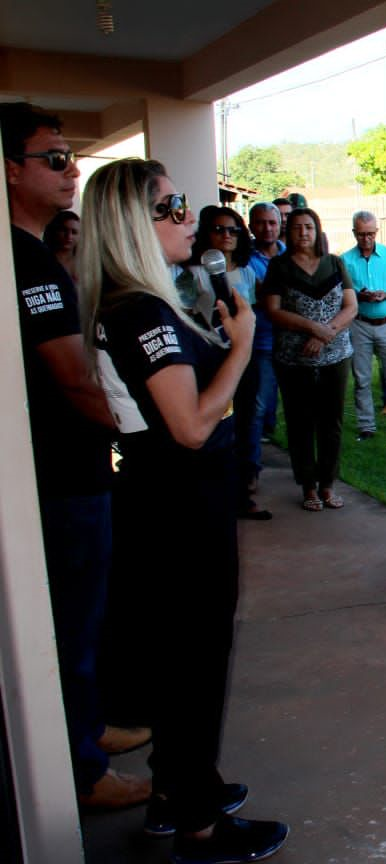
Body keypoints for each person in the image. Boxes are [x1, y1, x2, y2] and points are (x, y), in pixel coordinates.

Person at [81, 157, 288, 862]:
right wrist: (242, 348)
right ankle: (199, 826)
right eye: (170, 208)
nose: (187, 219)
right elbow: (191, 426)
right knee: (195, 663)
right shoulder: (141, 312)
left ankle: (176, 793)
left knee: (182, 661)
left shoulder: (139, 303)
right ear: (132, 225)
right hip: (178, 511)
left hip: (167, 503)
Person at [3, 101, 148, 808]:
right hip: (63, 476)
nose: (70, 171)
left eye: (72, 158)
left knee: (84, 618)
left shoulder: (29, 253)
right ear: (10, 170)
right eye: (55, 159)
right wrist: (144, 434)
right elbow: (71, 376)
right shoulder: (29, 260)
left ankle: (86, 728)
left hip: (63, 471)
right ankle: (83, 771)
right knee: (73, 623)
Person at [264, 208, 358, 510]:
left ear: (317, 230)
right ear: (288, 232)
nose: (303, 233)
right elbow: (273, 310)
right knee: (300, 421)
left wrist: (325, 333)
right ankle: (308, 486)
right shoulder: (279, 267)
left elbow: (351, 306)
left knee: (332, 422)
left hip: (335, 355)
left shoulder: (335, 263)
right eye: (296, 227)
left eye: (308, 227)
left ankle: (327, 484)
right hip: (294, 359)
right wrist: (311, 328)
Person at [183, 207, 270, 520]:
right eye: (219, 229)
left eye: (233, 230)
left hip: (245, 354)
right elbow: (183, 312)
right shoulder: (193, 273)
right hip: (210, 357)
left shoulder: (247, 272)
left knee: (247, 420)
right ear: (207, 234)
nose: (226, 236)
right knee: (218, 424)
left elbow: (254, 311)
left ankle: (244, 490)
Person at [342, 210, 386, 440]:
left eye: (370, 234)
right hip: (360, 324)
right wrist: (361, 295)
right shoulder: (346, 260)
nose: (366, 239)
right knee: (362, 378)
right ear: (354, 233)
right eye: (361, 234)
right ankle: (366, 425)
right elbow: (343, 292)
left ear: (376, 232)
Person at [247, 202, 283, 443]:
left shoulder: (289, 254)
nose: (267, 228)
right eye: (260, 223)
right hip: (262, 340)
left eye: (272, 222)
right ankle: (254, 454)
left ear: (280, 225)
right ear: (251, 226)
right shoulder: (244, 259)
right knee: (259, 401)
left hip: (291, 338)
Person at [43, 208, 79, 280]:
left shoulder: (84, 262)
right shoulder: (43, 260)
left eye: (74, 232)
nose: (69, 236)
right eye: (64, 230)